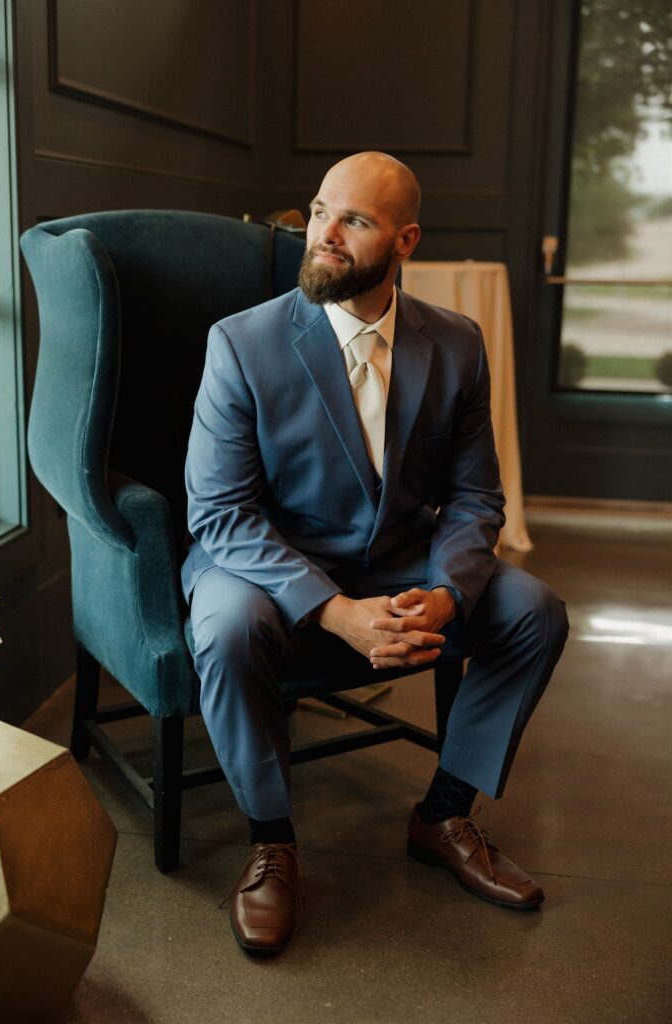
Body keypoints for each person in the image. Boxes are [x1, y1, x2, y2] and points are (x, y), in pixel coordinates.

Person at [182, 151, 569, 957]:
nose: (323, 233)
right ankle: (271, 842)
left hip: (400, 557)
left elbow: (473, 498)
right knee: (224, 627)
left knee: (533, 610)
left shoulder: (456, 343)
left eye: (352, 220)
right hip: (264, 561)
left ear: (405, 240)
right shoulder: (241, 343)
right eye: (320, 211)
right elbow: (218, 513)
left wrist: (448, 594)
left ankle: (442, 814)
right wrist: (333, 610)